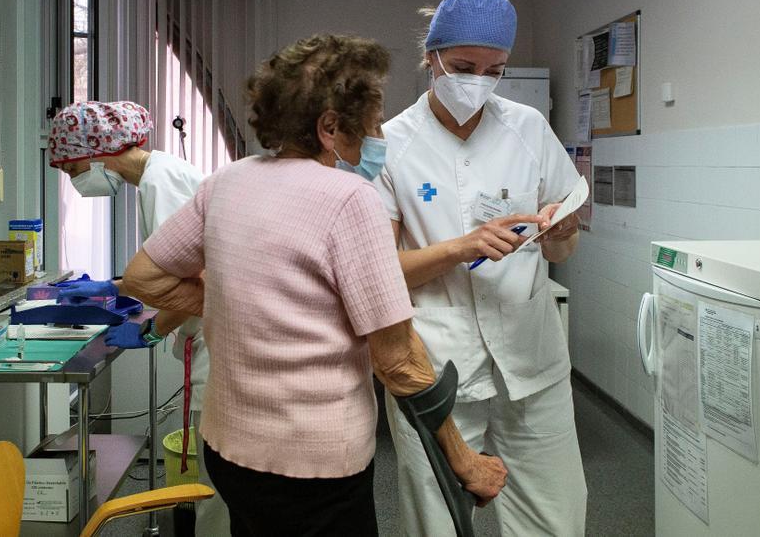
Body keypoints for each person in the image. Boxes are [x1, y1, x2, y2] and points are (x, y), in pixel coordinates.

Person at [115, 34, 508, 536]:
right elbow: (398, 361)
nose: (376, 135)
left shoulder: (225, 182)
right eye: (369, 124)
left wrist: (238, 299)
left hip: (229, 451)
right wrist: (464, 460)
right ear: (329, 127)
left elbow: (141, 278)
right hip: (315, 465)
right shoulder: (350, 198)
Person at [375, 0, 588, 536]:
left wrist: (563, 231)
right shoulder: (390, 145)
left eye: (494, 70)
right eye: (464, 66)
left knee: (555, 517)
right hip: (438, 364)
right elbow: (376, 273)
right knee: (439, 519)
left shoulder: (529, 128)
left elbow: (563, 246)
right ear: (432, 58)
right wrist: (463, 247)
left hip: (530, 353)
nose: (479, 81)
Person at [47, 100, 228, 535]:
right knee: (220, 482)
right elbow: (172, 272)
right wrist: (113, 287)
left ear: (94, 153)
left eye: (72, 171)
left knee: (218, 489)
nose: (75, 183)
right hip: (216, 337)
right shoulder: (161, 174)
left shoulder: (160, 184)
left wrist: (149, 331)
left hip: (219, 344)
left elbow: (192, 285)